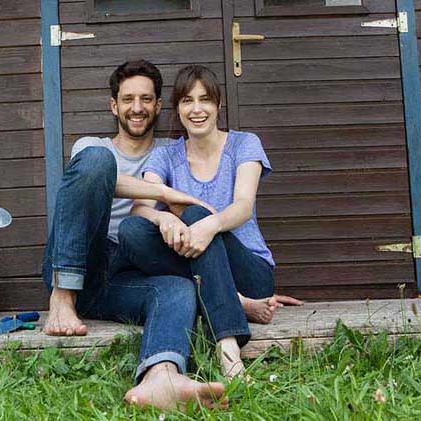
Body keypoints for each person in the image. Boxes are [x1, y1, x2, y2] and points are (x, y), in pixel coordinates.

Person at [41, 60, 226, 410]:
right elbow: (101, 179)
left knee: (176, 288)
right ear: (114, 106)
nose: (137, 107)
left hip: (131, 272)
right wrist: (166, 194)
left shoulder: (172, 154)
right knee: (98, 163)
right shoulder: (91, 148)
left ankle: (161, 376)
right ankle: (62, 299)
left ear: (158, 106)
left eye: (146, 99)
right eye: (128, 99)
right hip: (85, 261)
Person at [118, 65, 303, 378]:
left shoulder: (244, 144)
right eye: (187, 101)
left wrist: (207, 225)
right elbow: (139, 209)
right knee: (131, 230)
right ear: (177, 109)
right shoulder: (166, 156)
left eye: (205, 99)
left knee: (194, 213)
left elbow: (243, 206)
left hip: (250, 274)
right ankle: (236, 303)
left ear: (218, 105)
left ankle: (228, 348)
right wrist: (162, 216)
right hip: (198, 266)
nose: (197, 109)